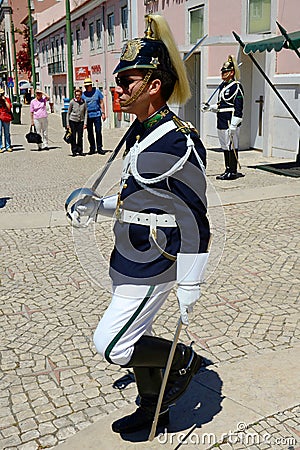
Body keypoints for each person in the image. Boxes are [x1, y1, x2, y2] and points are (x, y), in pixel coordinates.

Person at [71, 14, 210, 434]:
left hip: (156, 259)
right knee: (133, 338)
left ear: (153, 86)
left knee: (112, 344)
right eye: (120, 79)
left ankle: (181, 359)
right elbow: (142, 199)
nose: (120, 87)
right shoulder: (141, 131)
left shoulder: (175, 138)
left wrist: (190, 283)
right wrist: (100, 207)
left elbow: (194, 218)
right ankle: (155, 410)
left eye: (129, 79)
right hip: (129, 255)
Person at [202, 55, 244, 180]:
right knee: (225, 146)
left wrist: (234, 124)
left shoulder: (236, 86)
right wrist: (209, 108)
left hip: (230, 119)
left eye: (225, 72)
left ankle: (233, 170)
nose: (223, 74)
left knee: (232, 145)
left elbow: (238, 107)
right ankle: (227, 169)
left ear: (232, 72)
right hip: (221, 119)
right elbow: (221, 105)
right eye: (222, 72)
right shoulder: (222, 87)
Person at [82, 77, 106, 155]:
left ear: (91, 85)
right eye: (86, 86)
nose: (87, 87)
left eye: (88, 85)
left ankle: (99, 148)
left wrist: (103, 113)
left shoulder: (97, 92)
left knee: (98, 131)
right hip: (88, 116)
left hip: (97, 114)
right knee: (90, 133)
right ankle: (92, 148)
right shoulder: (83, 95)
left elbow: (101, 102)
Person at [66, 88, 87, 156]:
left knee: (80, 136)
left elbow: (86, 112)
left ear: (81, 95)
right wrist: (67, 124)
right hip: (73, 121)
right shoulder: (72, 102)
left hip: (81, 121)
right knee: (73, 136)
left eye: (79, 95)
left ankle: (80, 150)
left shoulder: (84, 102)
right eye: (76, 95)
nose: (77, 96)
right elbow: (68, 113)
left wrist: (85, 123)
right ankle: (74, 150)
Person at [0, 88, 13, 153]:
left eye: (2, 93)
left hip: (6, 117)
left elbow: (9, 108)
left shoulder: (7, 99)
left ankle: (8, 146)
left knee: (7, 133)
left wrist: (5, 100)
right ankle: (0, 146)